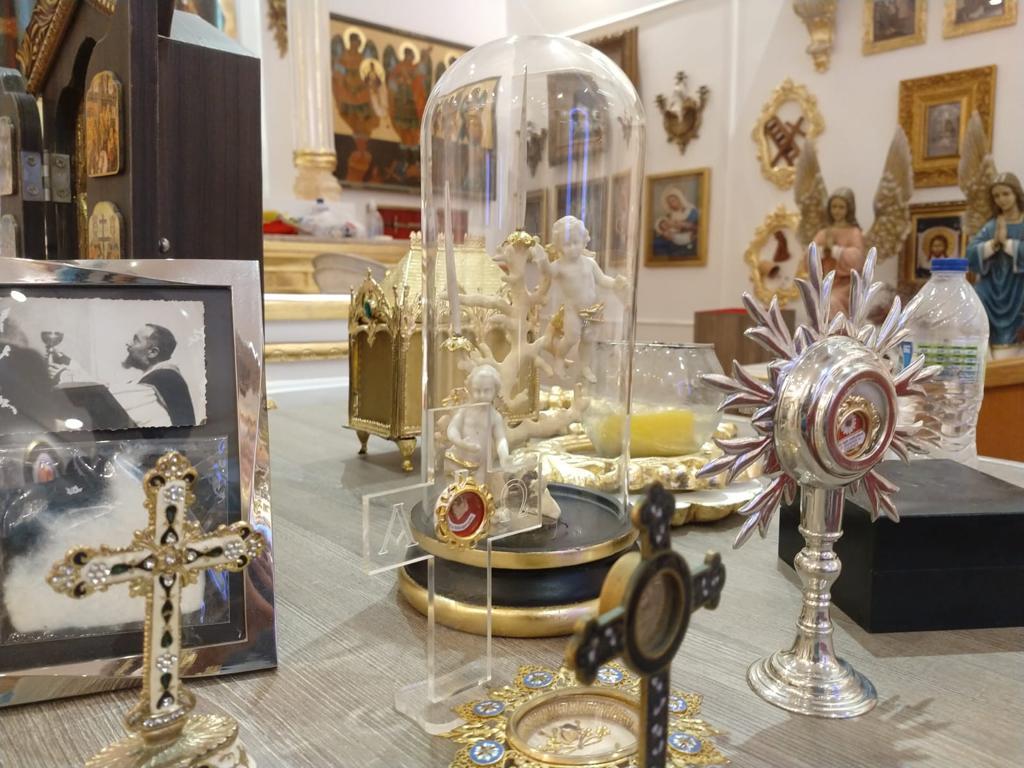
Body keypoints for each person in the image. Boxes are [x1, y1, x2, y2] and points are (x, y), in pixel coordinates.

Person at [544, 215, 627, 382]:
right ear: (559, 246)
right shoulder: (559, 266)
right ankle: (559, 358)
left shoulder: (589, 263)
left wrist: (615, 283)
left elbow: (602, 279)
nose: (573, 248)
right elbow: (547, 271)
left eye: (576, 242)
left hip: (592, 309)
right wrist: (540, 258)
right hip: (573, 310)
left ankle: (584, 366)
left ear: (583, 241)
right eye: (567, 244)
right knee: (571, 337)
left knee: (589, 339)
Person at [966, 172, 1024, 350]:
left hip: (1019, 283)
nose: (1001, 200)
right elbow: (971, 253)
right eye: (996, 196)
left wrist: (1008, 244)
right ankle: (987, 346)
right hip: (994, 284)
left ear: (1016, 194)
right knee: (976, 296)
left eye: (1006, 194)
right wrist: (993, 243)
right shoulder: (992, 226)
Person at [122, 324, 196, 427]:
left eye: (136, 340)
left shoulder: (164, 378)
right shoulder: (165, 376)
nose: (128, 343)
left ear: (152, 352)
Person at [810, 187, 866, 316]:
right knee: (816, 303)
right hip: (826, 283)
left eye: (841, 207)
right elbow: (809, 256)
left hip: (846, 285)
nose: (837, 211)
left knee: (831, 302)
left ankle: (837, 328)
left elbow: (858, 259)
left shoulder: (854, 233)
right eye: (834, 207)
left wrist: (836, 251)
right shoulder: (824, 233)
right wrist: (822, 251)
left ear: (849, 209)